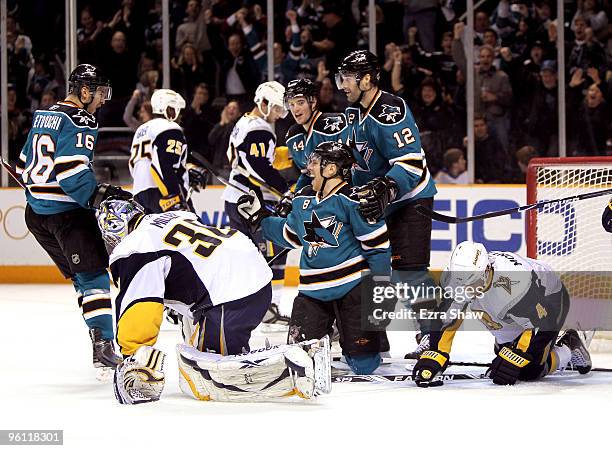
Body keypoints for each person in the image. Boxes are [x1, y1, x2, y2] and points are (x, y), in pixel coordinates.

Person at [96, 198, 330, 404]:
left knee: (209, 375)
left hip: (230, 296)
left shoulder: (133, 247)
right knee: (192, 338)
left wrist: (133, 356)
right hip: (252, 277)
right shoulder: (168, 217)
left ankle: (299, 361)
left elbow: (139, 308)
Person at [14, 64, 131, 378]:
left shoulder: (43, 114)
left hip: (35, 214)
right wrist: (97, 196)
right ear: (83, 91)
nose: (103, 100)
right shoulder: (80, 118)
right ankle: (104, 346)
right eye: (100, 93)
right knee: (94, 277)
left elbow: (23, 163)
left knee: (83, 279)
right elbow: (70, 173)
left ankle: (98, 344)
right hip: (66, 214)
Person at [237, 142, 390, 375]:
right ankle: (333, 335)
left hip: (353, 289)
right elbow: (291, 235)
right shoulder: (303, 200)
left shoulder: (355, 200)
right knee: (298, 359)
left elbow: (377, 246)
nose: (309, 168)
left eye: (315, 163)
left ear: (331, 170)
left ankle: (362, 341)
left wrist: (379, 289)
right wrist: (261, 218)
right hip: (313, 292)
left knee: (364, 365)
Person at [336, 50, 437, 358]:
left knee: (410, 273)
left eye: (348, 78)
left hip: (408, 199)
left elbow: (410, 162)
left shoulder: (390, 109)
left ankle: (433, 338)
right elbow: (350, 157)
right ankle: (372, 339)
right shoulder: (353, 112)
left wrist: (386, 187)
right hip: (374, 202)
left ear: (367, 79)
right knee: (361, 269)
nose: (342, 85)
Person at [413, 241, 593, 387]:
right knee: (503, 356)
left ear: (486, 271)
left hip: (549, 301)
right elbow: (448, 317)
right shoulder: (459, 278)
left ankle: (569, 345)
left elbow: (542, 324)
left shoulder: (517, 284)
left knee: (529, 370)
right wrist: (436, 353)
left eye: (472, 284)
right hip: (512, 307)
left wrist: (518, 357)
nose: (465, 292)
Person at [222, 81, 290, 322]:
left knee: (245, 254)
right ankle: (270, 306)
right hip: (251, 200)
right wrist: (284, 189)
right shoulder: (260, 127)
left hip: (236, 196)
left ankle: (245, 304)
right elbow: (258, 166)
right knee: (275, 250)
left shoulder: (245, 123)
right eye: (276, 108)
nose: (280, 114)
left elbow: (250, 159)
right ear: (262, 103)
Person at [128, 88, 205, 214]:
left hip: (139, 194)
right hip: (163, 194)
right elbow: (161, 165)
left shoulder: (141, 130)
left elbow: (135, 166)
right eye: (177, 110)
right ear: (168, 109)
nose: (180, 116)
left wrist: (186, 168)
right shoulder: (169, 127)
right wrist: (174, 196)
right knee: (196, 231)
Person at [284, 78, 348, 192]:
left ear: (313, 102)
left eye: (300, 102)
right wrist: (294, 195)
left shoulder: (335, 124)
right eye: (291, 104)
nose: (295, 109)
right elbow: (307, 175)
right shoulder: (292, 135)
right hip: (320, 195)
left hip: (343, 192)